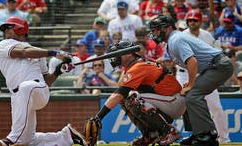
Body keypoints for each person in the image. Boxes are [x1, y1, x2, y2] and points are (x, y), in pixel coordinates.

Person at [0, 16, 87, 146]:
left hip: (36, 90)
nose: (5, 31)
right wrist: (53, 53)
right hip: (19, 96)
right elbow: (23, 52)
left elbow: (46, 81)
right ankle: (66, 136)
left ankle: (12, 138)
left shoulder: (38, 52)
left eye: (8, 27)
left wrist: (57, 71)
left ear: (20, 29)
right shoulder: (4, 44)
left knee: (26, 87)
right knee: (29, 140)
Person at [149, 15, 233, 146]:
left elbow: (192, 61)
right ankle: (199, 134)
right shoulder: (174, 39)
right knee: (189, 94)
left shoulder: (176, 39)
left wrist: (191, 84)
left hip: (219, 65)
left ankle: (208, 135)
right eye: (154, 30)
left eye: (157, 29)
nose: (155, 32)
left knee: (193, 94)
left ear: (169, 28)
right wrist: (190, 83)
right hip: (212, 66)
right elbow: (193, 62)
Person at [88, 41, 185, 145]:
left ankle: (169, 132)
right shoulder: (132, 66)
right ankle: (150, 135)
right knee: (125, 99)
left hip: (174, 100)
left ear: (129, 54)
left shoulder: (138, 66)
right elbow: (120, 91)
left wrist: (99, 117)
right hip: (166, 100)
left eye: (117, 53)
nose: (114, 56)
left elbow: (119, 93)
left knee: (132, 98)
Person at [180, 9, 231, 143]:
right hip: (185, 75)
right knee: (186, 105)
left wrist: (217, 47)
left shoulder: (207, 35)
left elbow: (215, 53)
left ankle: (225, 138)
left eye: (194, 20)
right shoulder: (182, 36)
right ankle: (197, 135)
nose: (192, 22)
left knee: (216, 106)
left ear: (200, 22)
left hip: (205, 74)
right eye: (189, 20)